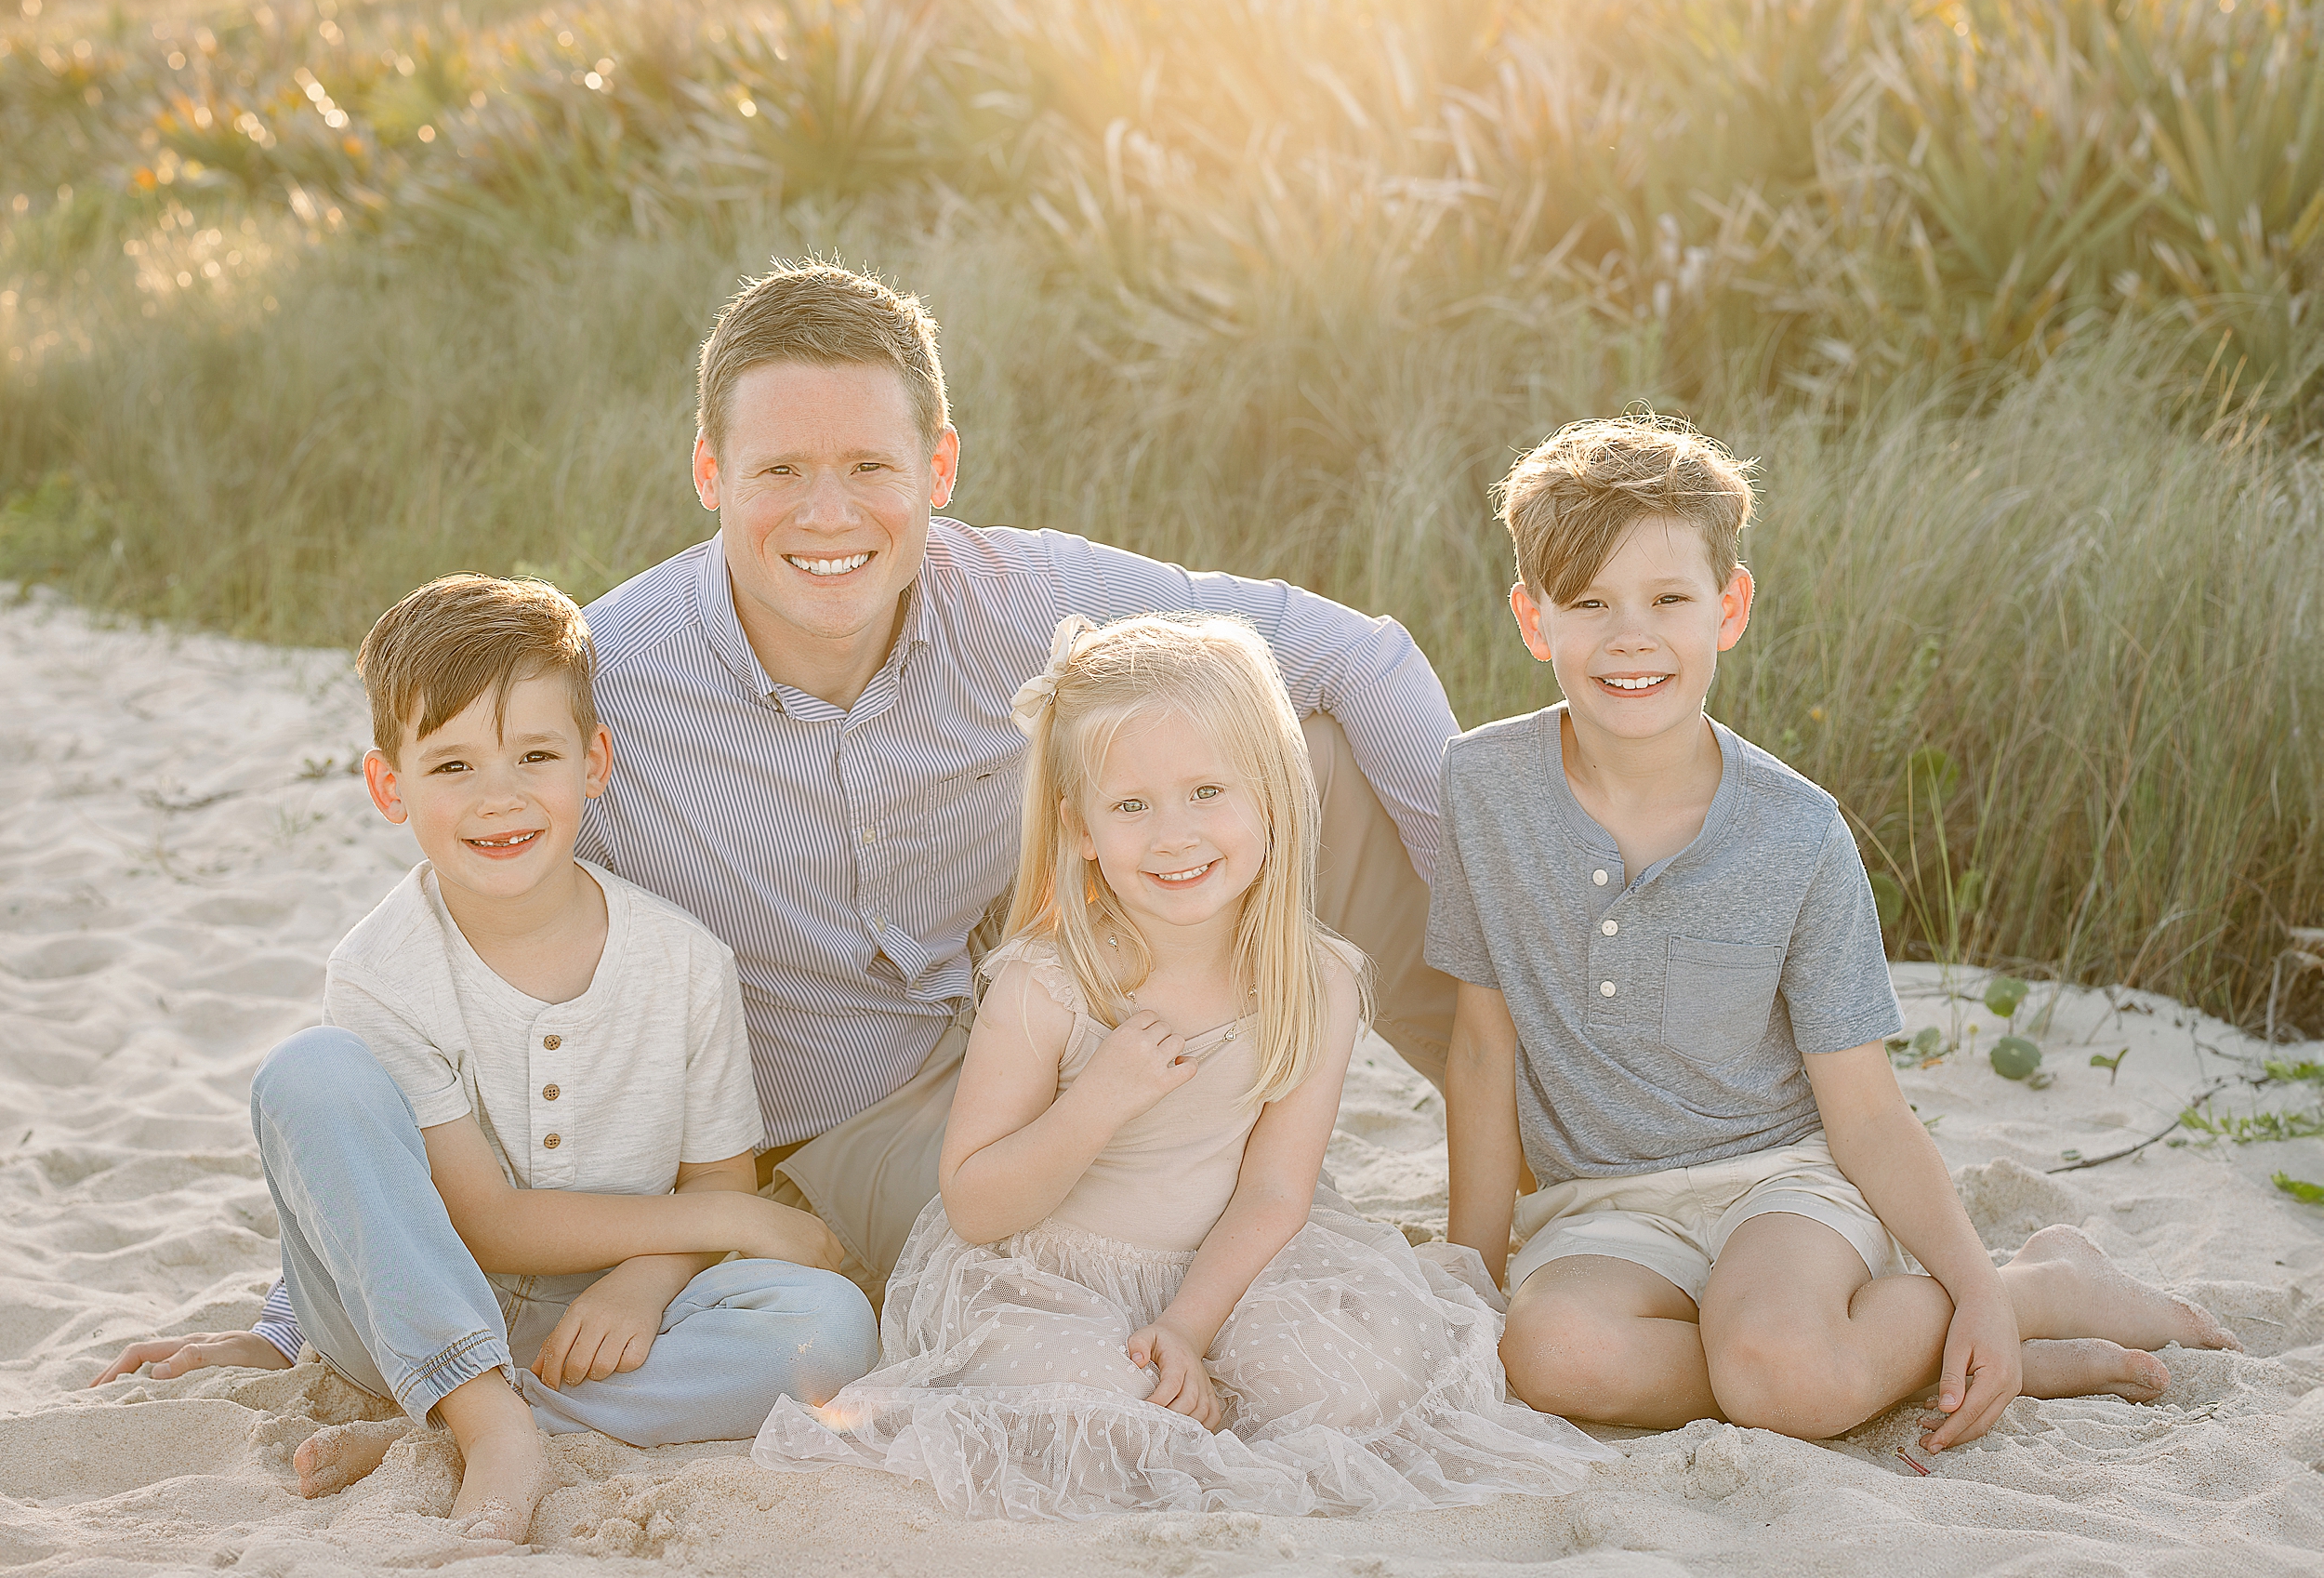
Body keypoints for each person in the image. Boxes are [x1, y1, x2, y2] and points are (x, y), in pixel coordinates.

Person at [100, 260, 1459, 1411]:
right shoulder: (610, 685)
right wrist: (302, 1307)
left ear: (937, 467)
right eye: (781, 470)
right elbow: (455, 945)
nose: (828, 512)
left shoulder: (1031, 595)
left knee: (1296, 750)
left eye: (870, 466)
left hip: (1035, 1013)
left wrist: (1496, 934)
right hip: (835, 1121)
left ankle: (1542, 1135)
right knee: (1083, 1220)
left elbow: (1368, 654)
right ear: (709, 470)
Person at [1433, 416, 2241, 1452]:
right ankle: (1926, 1348)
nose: (1629, 636)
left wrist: (1967, 1279)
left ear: (1728, 609)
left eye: (1667, 600)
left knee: (1785, 1375)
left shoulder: (1797, 829)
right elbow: (1479, 1046)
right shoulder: (1480, 786)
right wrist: (1467, 1272)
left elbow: (1863, 1110)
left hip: (1780, 1180)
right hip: (1599, 1206)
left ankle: (2023, 1293)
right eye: (1588, 603)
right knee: (1548, 1357)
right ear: (1532, 619)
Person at [751, 614, 1607, 1518]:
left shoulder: (1315, 979)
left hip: (1234, 1265)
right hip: (1051, 1272)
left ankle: (1199, 1373)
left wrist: (1186, 1326)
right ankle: (1165, 1394)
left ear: (1270, 797)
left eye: (1207, 791)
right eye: (1131, 805)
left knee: (1361, 1379)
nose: (1173, 835)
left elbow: (1276, 1191)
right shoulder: (1048, 985)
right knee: (1095, 1403)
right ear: (1079, 828)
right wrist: (1100, 1101)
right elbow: (975, 1202)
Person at [100, 576, 877, 1550]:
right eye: (453, 764)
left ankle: (442, 1423)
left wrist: (639, 1282)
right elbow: (485, 1220)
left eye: (535, 755)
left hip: (601, 1325)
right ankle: (488, 1421)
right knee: (311, 1069)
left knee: (829, 1329)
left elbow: (712, 1169)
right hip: (400, 1308)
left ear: (593, 762)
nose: (499, 796)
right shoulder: (382, 970)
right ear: (391, 786)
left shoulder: (684, 961)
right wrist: (728, 1216)